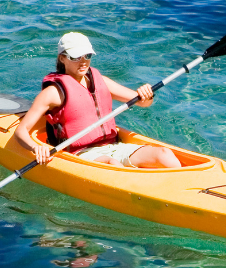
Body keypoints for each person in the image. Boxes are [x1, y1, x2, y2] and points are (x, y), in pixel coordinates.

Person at [15, 32, 181, 168]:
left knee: (164, 154)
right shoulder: (53, 93)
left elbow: (144, 102)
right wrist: (36, 148)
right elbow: (21, 132)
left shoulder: (100, 81)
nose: (83, 62)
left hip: (114, 147)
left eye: (87, 55)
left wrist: (147, 94)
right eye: (76, 57)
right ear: (62, 58)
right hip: (81, 154)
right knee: (113, 164)